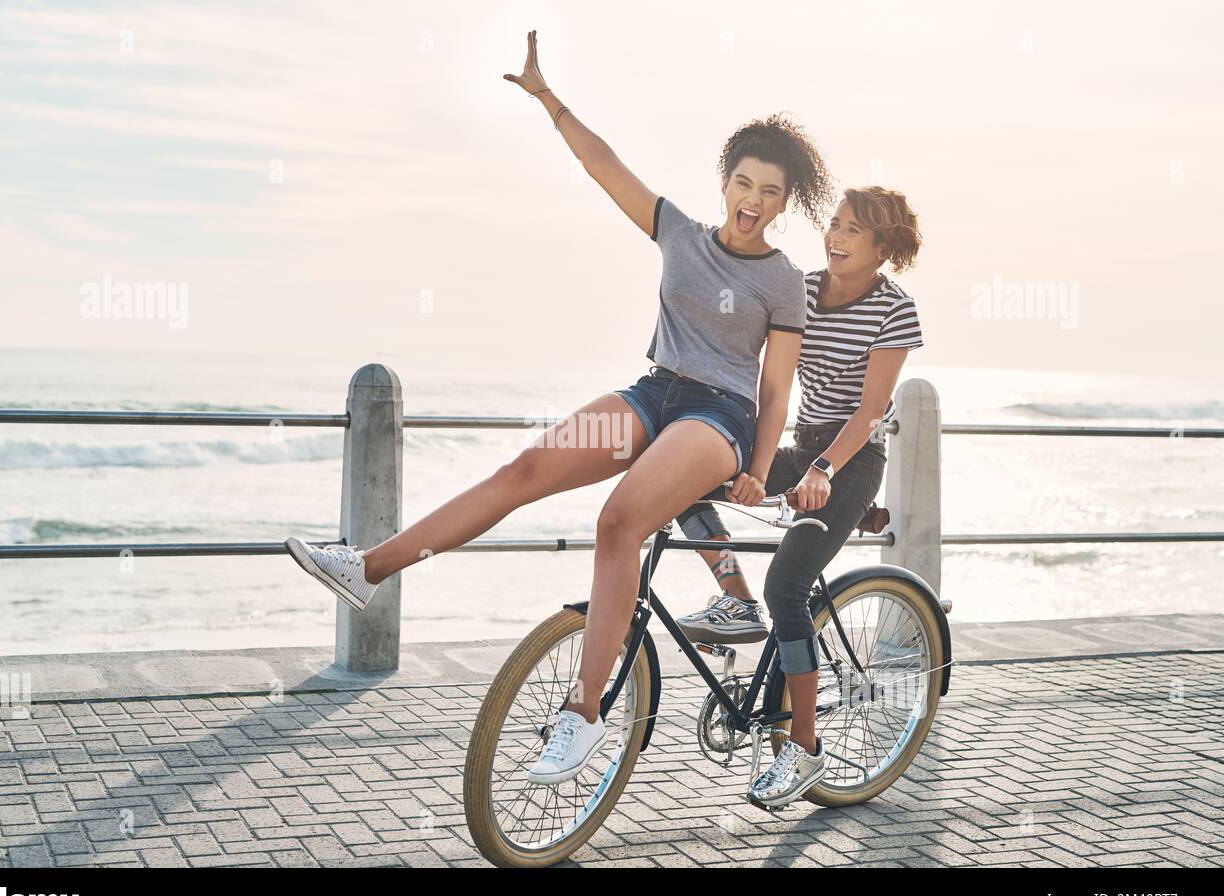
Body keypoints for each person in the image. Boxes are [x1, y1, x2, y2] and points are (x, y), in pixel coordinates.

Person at [283, 30, 835, 786]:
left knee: (618, 520)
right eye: (744, 182)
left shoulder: (784, 279)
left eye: (770, 192)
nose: (754, 201)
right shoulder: (677, 231)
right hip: (654, 391)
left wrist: (759, 467)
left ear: (784, 201)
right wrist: (550, 102)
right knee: (525, 467)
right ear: (725, 180)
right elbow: (601, 165)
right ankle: (370, 566)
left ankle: (581, 717)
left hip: (720, 420)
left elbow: (776, 389)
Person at [670, 185, 924, 806]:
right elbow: (769, 379)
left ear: (882, 247)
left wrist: (825, 473)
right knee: (683, 484)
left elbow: (870, 411)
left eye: (852, 231)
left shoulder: (895, 310)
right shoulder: (800, 291)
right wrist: (753, 461)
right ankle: (736, 599)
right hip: (800, 447)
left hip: (852, 459)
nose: (834, 238)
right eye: (832, 225)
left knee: (789, 585)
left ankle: (806, 752)